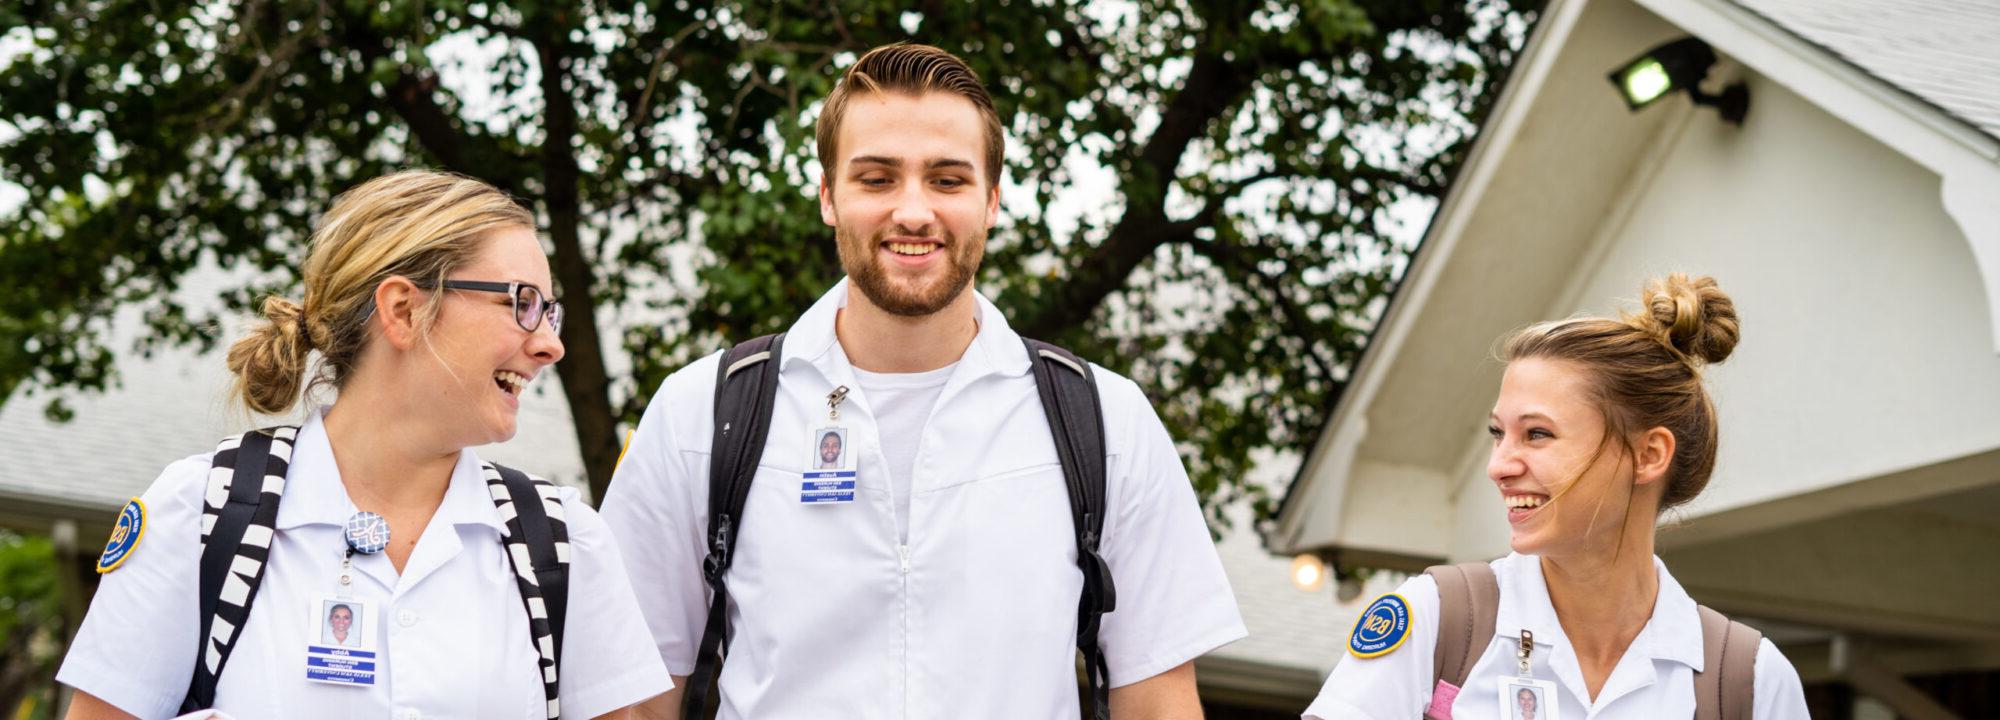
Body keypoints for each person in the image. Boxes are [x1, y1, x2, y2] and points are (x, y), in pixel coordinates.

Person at [603, 43, 1245, 719]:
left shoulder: (1106, 422)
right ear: (828, 197)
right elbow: (635, 702)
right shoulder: (700, 415)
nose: (913, 212)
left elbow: (1159, 703)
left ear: (992, 200)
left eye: (947, 180)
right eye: (877, 179)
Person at [58, 170, 672, 719]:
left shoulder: (564, 541)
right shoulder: (198, 512)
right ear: (403, 309)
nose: (549, 345)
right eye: (523, 303)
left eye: (551, 312)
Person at [1302, 274, 1809, 719]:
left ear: (1649, 454)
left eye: (1537, 434)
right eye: (1499, 434)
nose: (1499, 466)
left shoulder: (1750, 683)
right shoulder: (1437, 618)